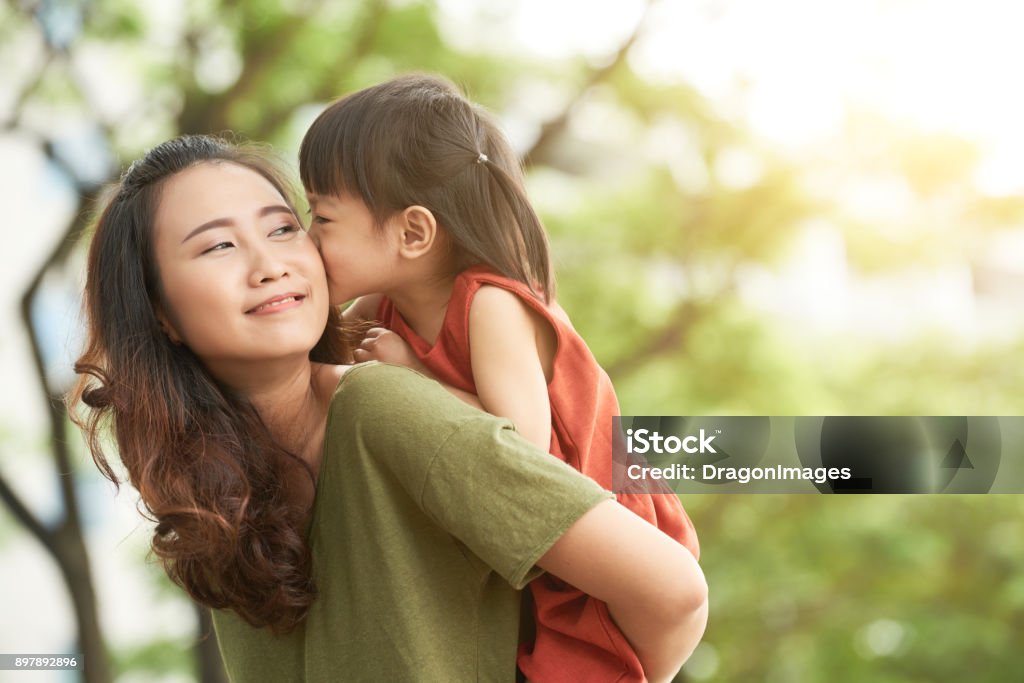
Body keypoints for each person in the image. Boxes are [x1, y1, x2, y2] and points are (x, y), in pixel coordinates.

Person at [68, 134, 708, 682]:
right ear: (159, 312)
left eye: (284, 227)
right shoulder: (213, 496)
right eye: (217, 247)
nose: (270, 265)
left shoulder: (383, 406)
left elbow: (671, 594)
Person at [300, 73, 702, 682]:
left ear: (413, 232)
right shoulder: (383, 305)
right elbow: (316, 364)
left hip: (595, 529)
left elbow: (522, 447)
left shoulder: (491, 305)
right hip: (523, 538)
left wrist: (409, 376)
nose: (307, 241)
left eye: (322, 219)